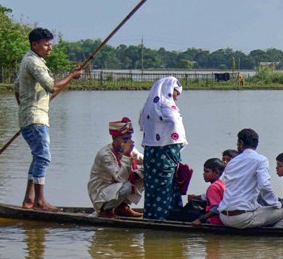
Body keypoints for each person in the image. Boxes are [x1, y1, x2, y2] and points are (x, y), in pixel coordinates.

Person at [13, 27, 83, 210]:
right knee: (43, 157)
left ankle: (29, 200)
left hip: (31, 115)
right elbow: (52, 86)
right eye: (46, 45)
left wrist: (26, 106)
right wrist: (72, 76)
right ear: (35, 45)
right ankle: (40, 201)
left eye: (50, 45)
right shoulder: (34, 63)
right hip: (35, 118)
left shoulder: (29, 60)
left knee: (38, 157)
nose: (49, 48)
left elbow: (17, 88)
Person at [217, 128, 283, 229]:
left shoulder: (231, 162)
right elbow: (264, 186)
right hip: (242, 218)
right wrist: (277, 204)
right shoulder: (261, 160)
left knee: (259, 208)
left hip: (224, 217)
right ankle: (273, 242)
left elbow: (223, 184)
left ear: (241, 143)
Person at [139, 76, 187, 220]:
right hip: (166, 152)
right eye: (176, 93)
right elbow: (175, 126)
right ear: (169, 90)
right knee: (166, 185)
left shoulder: (149, 106)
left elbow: (142, 125)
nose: (176, 98)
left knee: (152, 184)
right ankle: (164, 217)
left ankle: (151, 215)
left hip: (150, 150)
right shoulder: (167, 106)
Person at [87, 117, 144, 217]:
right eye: (125, 139)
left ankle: (122, 207)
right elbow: (120, 178)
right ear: (114, 139)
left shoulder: (130, 149)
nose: (128, 142)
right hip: (101, 192)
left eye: (130, 138)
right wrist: (126, 156)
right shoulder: (105, 155)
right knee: (126, 186)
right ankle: (105, 211)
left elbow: (142, 160)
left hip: (116, 187)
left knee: (146, 172)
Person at [190, 158, 226, 226]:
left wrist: (200, 220)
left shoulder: (212, 187)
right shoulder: (221, 184)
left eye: (206, 171)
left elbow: (217, 207)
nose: (203, 174)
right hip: (222, 219)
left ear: (216, 173)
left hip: (214, 221)